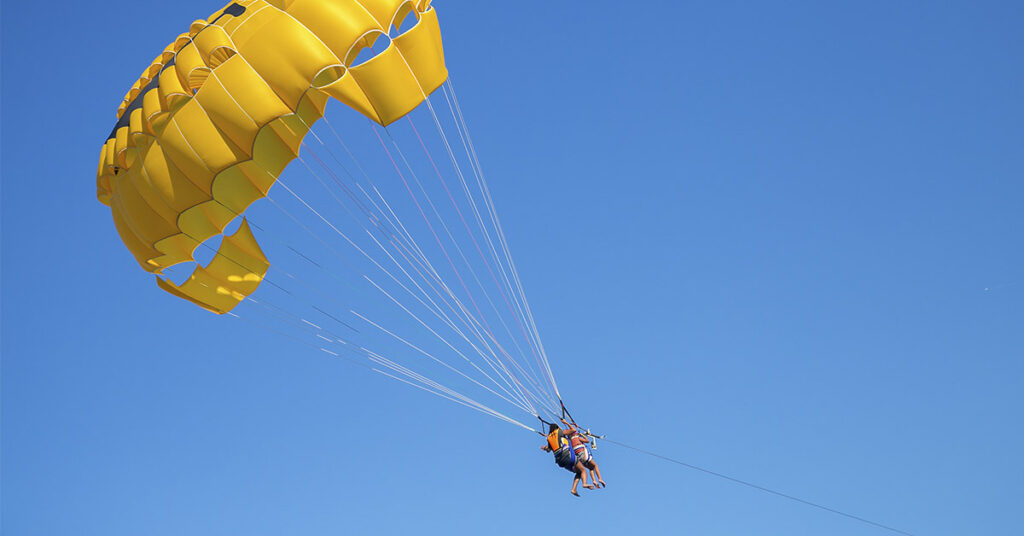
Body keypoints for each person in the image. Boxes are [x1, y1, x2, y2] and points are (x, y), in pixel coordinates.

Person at [541, 422, 595, 496]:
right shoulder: (559, 432)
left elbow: (548, 450)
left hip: (560, 462)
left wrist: (544, 448)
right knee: (583, 470)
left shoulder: (549, 437)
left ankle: (573, 489)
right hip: (567, 456)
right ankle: (584, 484)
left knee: (579, 472)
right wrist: (565, 422)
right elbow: (573, 430)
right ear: (557, 428)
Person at [560, 419, 605, 488]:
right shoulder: (577, 437)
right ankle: (599, 479)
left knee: (590, 468)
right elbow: (587, 441)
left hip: (579, 457)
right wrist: (582, 435)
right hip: (582, 452)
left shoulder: (570, 440)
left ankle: (594, 481)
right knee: (595, 465)